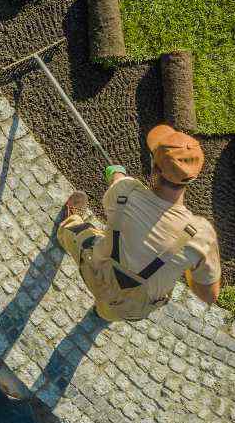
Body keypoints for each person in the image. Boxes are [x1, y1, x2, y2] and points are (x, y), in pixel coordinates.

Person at [57, 124, 222, 321]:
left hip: (95, 270)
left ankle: (69, 222)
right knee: (110, 312)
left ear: (154, 168)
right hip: (132, 306)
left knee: (74, 229)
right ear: (192, 179)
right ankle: (102, 314)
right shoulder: (201, 237)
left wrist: (116, 173)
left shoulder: (126, 191)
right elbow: (209, 296)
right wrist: (187, 263)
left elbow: (118, 184)